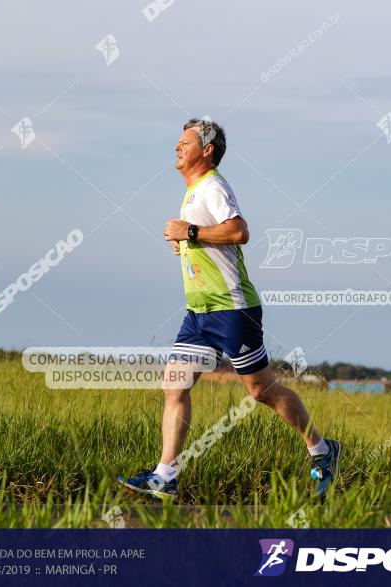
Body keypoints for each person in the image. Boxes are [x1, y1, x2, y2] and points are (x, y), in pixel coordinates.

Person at [118, 118, 341, 501]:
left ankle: (322, 451)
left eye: (184, 142)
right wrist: (188, 244)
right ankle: (165, 475)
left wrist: (189, 233)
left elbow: (239, 231)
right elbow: (210, 238)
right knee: (175, 386)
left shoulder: (213, 186)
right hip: (199, 312)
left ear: (206, 151)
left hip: (233, 309)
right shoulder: (192, 192)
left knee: (262, 390)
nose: (177, 147)